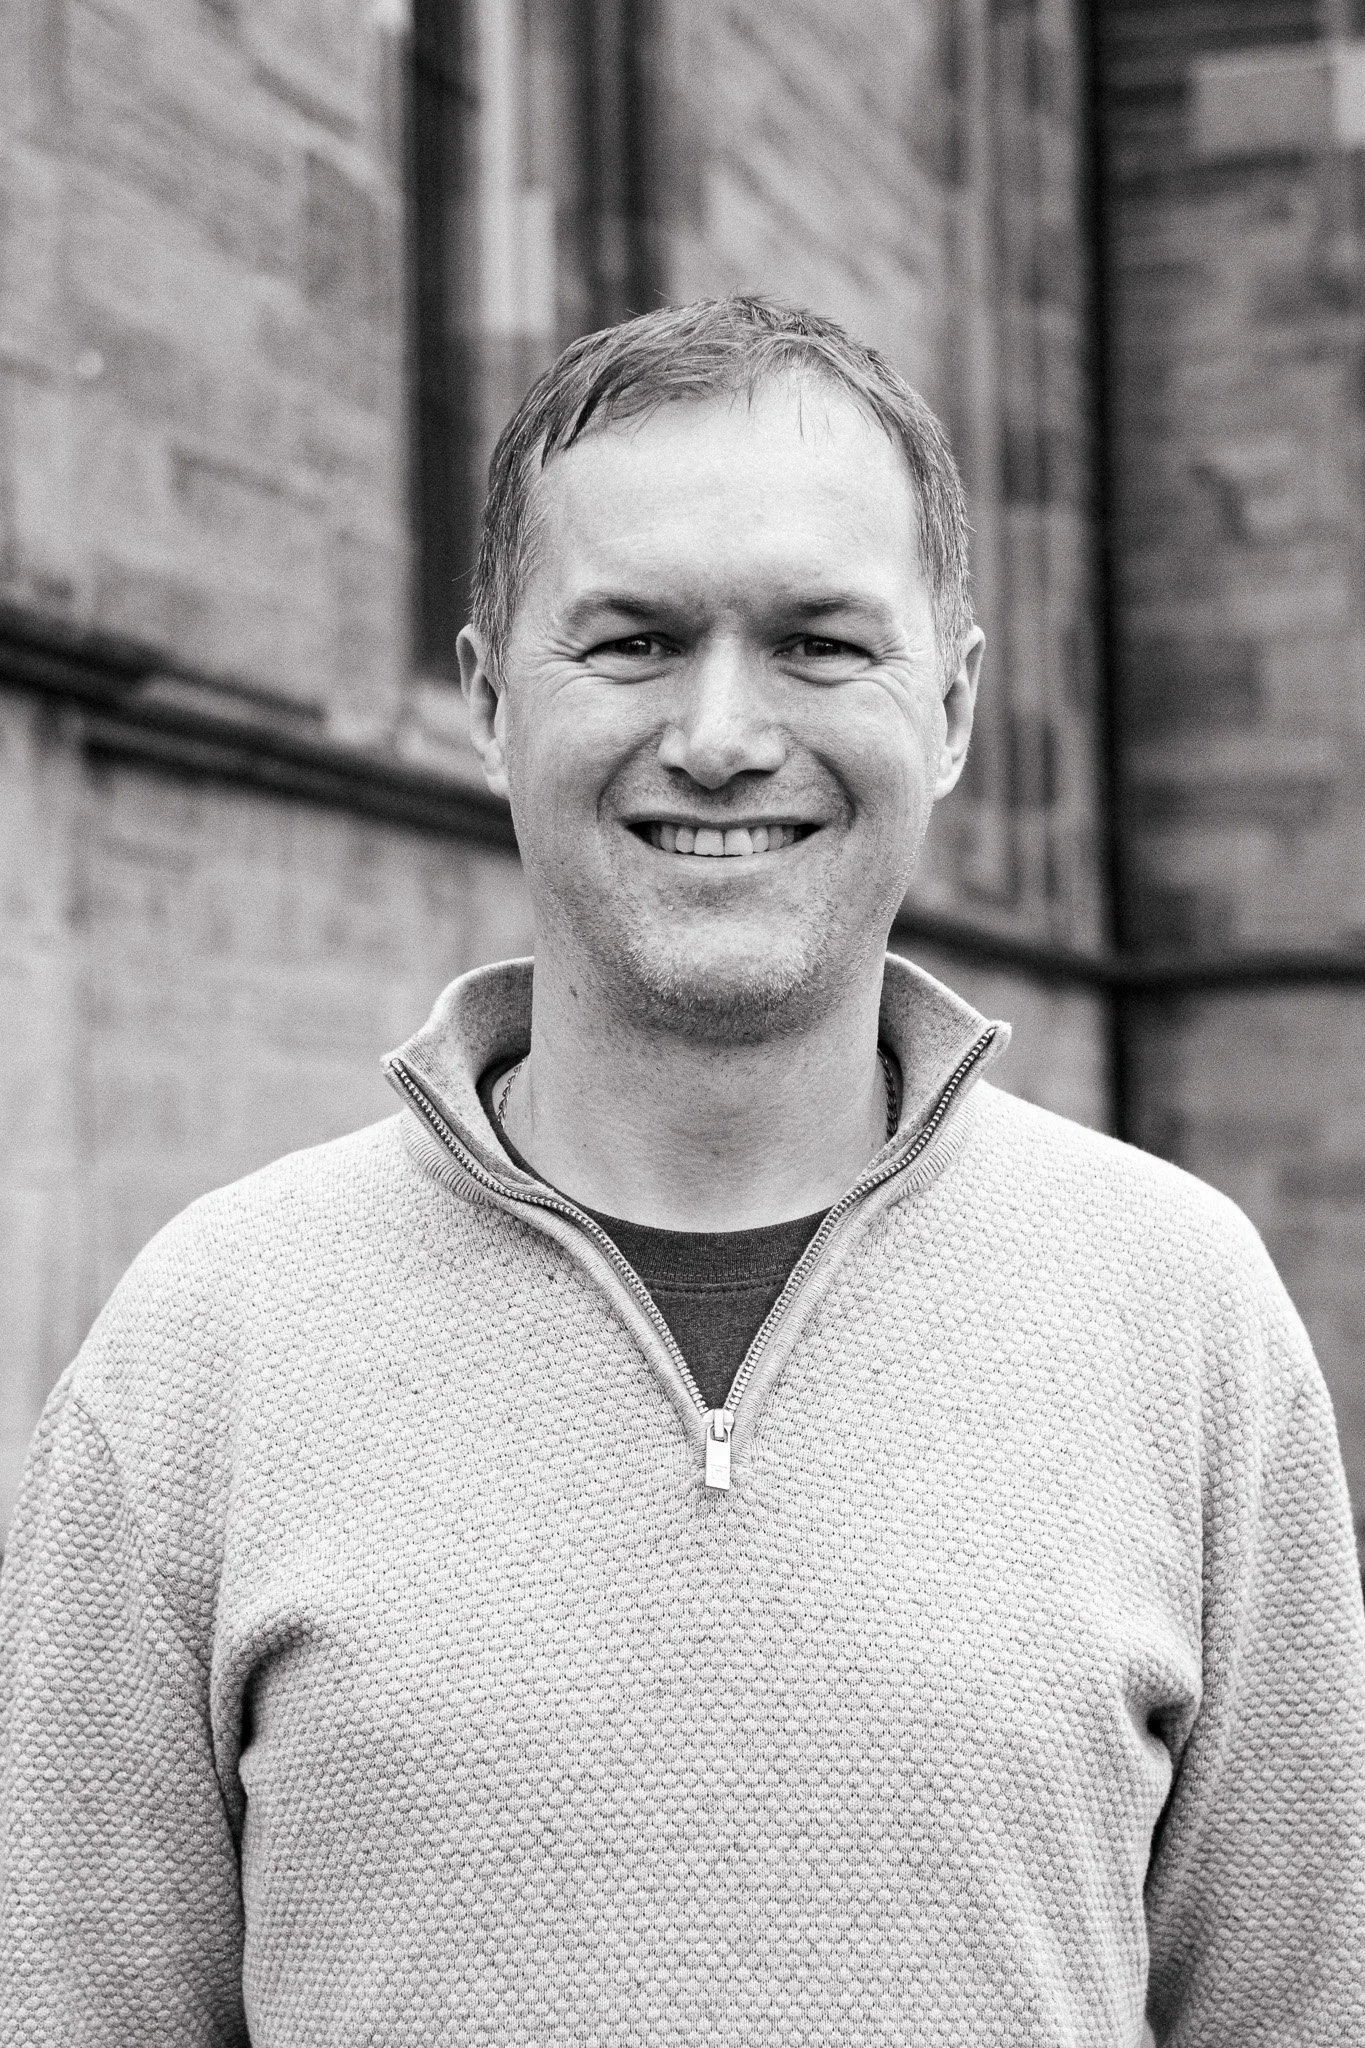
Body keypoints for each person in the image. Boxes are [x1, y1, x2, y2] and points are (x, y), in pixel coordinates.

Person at [2, 295, 1362, 2045]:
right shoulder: (209, 1339)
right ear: (490, 701)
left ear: (952, 708)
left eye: (818, 643)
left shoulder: (1181, 1311)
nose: (721, 734)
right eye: (635, 641)